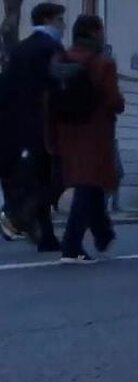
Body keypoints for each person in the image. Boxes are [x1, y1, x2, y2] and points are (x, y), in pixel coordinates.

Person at [47, 12, 124, 264]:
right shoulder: (103, 64)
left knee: (87, 184)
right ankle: (72, 247)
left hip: (66, 131)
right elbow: (114, 101)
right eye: (100, 30)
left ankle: (103, 236)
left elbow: (49, 100)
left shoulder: (60, 59)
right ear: (94, 33)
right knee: (88, 185)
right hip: (95, 132)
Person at [0, 2, 67, 251]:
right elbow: (58, 87)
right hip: (44, 125)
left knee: (38, 178)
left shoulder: (20, 49)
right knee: (55, 178)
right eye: (61, 19)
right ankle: (16, 214)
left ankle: (46, 236)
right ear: (49, 20)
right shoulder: (52, 48)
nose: (63, 25)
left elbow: (5, 87)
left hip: (16, 126)